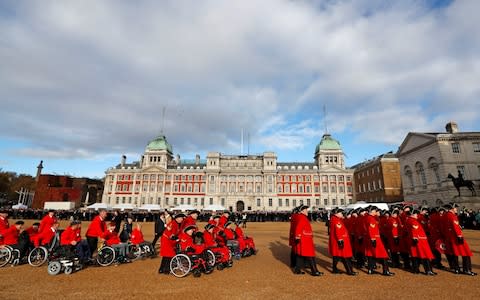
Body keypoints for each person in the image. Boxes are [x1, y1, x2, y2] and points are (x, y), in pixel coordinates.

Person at [443, 203, 476, 276]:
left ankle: (456, 269)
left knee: (455, 253)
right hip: (456, 237)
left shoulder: (445, 215)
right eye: (455, 208)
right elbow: (455, 227)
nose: (456, 209)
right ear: (452, 208)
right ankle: (467, 270)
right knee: (466, 253)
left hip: (450, 238)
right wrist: (459, 235)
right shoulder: (453, 216)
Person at [364, 206, 394, 276]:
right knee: (384, 255)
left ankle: (370, 270)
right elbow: (371, 230)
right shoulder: (371, 219)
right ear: (372, 211)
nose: (376, 212)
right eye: (374, 211)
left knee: (371, 255)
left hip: (370, 239)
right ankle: (385, 271)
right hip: (375, 239)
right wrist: (373, 239)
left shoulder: (367, 218)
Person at [293, 205, 322, 276]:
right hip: (305, 240)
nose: (307, 211)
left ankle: (297, 270)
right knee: (310, 255)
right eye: (305, 210)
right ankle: (314, 271)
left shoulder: (303, 217)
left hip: (305, 238)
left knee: (300, 256)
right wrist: (297, 237)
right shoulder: (302, 218)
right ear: (302, 211)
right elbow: (298, 228)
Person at [406, 209, 436, 275]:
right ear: (412, 214)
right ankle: (428, 270)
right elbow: (414, 230)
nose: (417, 215)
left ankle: (416, 269)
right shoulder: (413, 221)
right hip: (420, 240)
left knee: (415, 255)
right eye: (416, 214)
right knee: (425, 255)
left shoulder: (409, 220)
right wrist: (415, 237)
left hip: (417, 239)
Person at [328, 208, 357, 275]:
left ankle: (335, 269)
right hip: (340, 240)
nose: (342, 214)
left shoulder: (335, 219)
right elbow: (338, 231)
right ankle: (349, 271)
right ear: (336, 214)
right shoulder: (337, 221)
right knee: (345, 255)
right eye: (340, 213)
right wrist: (340, 240)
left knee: (337, 255)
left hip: (336, 240)